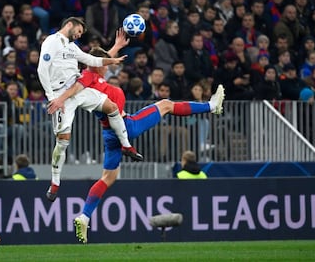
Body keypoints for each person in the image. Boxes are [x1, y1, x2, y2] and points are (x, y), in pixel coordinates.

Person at [48, 41, 225, 244]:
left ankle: (85, 216)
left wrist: (116, 47)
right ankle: (211, 106)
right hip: (126, 126)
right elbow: (86, 77)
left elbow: (99, 62)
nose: (108, 66)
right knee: (166, 104)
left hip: (108, 133)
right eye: (105, 63)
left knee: (107, 178)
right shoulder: (88, 77)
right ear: (98, 64)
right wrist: (61, 99)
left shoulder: (92, 75)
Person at [37, 18, 142, 202]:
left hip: (79, 88)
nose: (79, 35)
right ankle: (55, 182)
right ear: (69, 25)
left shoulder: (71, 47)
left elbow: (90, 59)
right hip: (62, 95)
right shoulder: (52, 42)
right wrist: (52, 98)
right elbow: (41, 69)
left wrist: (112, 59)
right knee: (63, 141)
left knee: (111, 107)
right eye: (78, 31)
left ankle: (127, 146)